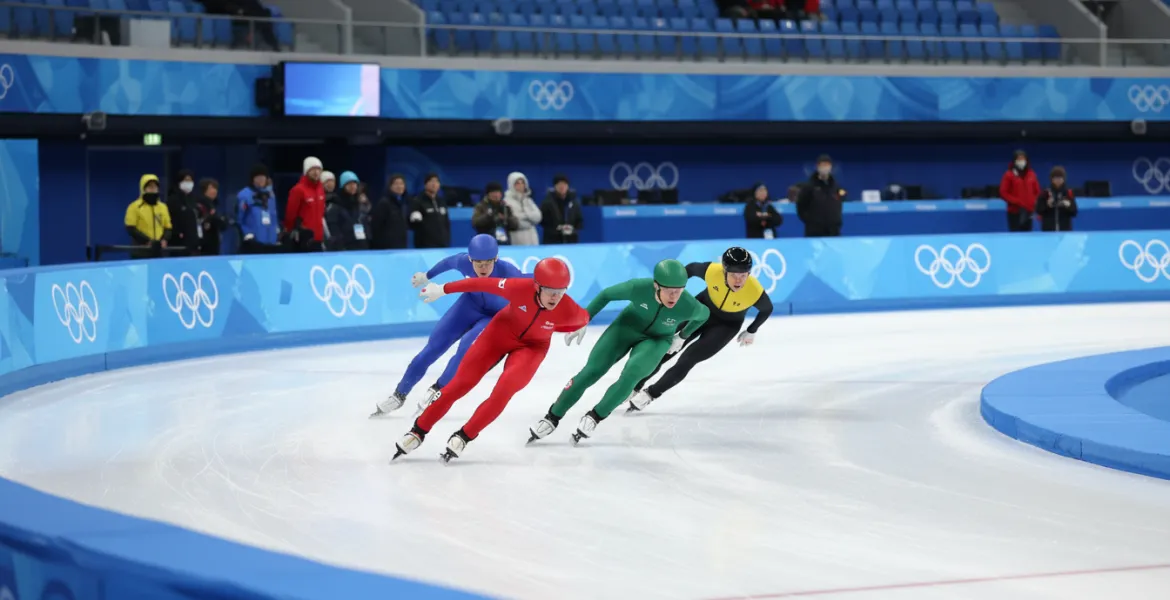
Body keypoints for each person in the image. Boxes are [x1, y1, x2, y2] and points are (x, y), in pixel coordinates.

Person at [392, 258, 588, 463]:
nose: (555, 297)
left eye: (561, 291)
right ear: (537, 285)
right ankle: (418, 431)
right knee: (459, 384)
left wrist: (577, 325)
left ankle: (464, 436)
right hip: (499, 334)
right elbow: (480, 283)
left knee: (504, 390)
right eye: (550, 291)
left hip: (532, 348)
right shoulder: (519, 287)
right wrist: (443, 289)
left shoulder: (568, 308)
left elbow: (582, 317)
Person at [526, 259, 710, 446]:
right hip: (625, 328)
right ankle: (552, 417)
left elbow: (704, 315)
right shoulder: (638, 288)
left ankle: (595, 416)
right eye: (669, 291)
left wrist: (683, 336)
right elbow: (606, 294)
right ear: (656, 285)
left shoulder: (688, 304)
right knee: (591, 371)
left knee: (632, 374)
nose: (673, 296)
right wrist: (584, 319)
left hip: (657, 340)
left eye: (678, 291)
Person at [370, 234, 529, 418]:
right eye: (478, 263)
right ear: (470, 259)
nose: (483, 268)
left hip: (493, 317)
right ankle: (399, 394)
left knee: (465, 349)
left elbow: (533, 285)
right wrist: (427, 275)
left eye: (487, 263)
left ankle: (437, 389)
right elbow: (447, 263)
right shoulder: (463, 262)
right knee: (433, 346)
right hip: (468, 306)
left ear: (496, 259)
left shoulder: (510, 273)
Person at [627, 247, 774, 412]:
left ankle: (651, 394)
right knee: (665, 350)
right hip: (700, 311)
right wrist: (675, 291)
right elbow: (688, 270)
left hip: (726, 326)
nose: (738, 281)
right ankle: (636, 386)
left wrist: (752, 330)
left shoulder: (754, 290)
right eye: (733, 275)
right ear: (724, 271)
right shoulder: (712, 271)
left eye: (743, 276)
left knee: (688, 359)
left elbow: (766, 309)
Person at [124, 174, 172, 259]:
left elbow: (168, 227)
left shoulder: (163, 207)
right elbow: (130, 228)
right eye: (150, 187)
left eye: (155, 187)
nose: (153, 189)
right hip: (141, 250)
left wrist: (164, 240)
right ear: (143, 188)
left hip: (160, 250)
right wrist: (147, 241)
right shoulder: (134, 206)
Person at [796, 155, 844, 238]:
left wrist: (836, 221)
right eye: (822, 165)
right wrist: (811, 221)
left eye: (827, 165)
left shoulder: (836, 186)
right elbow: (800, 206)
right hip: (815, 232)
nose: (825, 168)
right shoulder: (809, 186)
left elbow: (839, 204)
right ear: (818, 167)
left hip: (833, 231)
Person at [237, 164, 281, 254]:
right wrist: (247, 233)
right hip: (254, 241)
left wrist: (277, 231)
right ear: (253, 179)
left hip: (271, 240)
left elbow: (273, 214)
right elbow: (239, 218)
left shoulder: (271, 195)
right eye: (258, 177)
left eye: (263, 177)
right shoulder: (244, 195)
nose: (261, 180)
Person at [284, 156, 326, 249]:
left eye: (318, 169)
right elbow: (290, 214)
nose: (316, 173)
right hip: (304, 239)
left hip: (318, 238)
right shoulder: (298, 190)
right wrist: (290, 230)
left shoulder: (321, 190)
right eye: (313, 169)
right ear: (306, 172)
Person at [323, 171, 369, 251]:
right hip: (344, 247)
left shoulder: (359, 203)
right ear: (343, 186)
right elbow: (333, 227)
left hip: (360, 244)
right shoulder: (335, 204)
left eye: (354, 184)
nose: (353, 187)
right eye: (349, 184)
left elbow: (364, 222)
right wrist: (339, 244)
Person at [999, 149, 1040, 233]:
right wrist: (1016, 201)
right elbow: (1003, 192)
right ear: (1015, 160)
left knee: (1028, 236)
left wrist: (1033, 202)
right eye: (1019, 159)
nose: (1021, 161)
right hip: (1015, 212)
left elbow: (1037, 191)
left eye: (1023, 159)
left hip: (1028, 211)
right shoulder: (1009, 174)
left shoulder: (1031, 174)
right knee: (1015, 235)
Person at [409, 173, 451, 248]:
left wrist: (447, 240)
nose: (434, 184)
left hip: (442, 244)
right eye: (431, 181)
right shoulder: (418, 201)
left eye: (436, 181)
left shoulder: (441, 201)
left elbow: (446, 223)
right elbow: (412, 224)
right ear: (425, 184)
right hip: (425, 246)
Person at [540, 174, 583, 244]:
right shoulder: (547, 202)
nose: (562, 187)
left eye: (564, 184)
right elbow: (543, 221)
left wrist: (572, 229)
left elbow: (579, 220)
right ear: (555, 186)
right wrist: (557, 229)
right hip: (552, 241)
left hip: (571, 240)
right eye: (559, 184)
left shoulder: (574, 201)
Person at [166, 169, 201, 256]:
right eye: (186, 180)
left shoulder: (194, 199)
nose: (188, 183)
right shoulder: (172, 200)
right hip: (178, 242)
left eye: (190, 180)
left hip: (194, 242)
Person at [502, 171, 543, 246]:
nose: (520, 185)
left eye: (522, 183)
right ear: (511, 185)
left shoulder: (528, 200)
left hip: (532, 237)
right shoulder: (507, 201)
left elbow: (538, 216)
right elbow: (515, 220)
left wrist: (525, 215)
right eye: (517, 183)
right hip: (517, 237)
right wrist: (531, 221)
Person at [370, 174, 409, 250]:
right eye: (396, 184)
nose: (399, 186)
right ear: (390, 186)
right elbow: (376, 225)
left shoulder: (404, 203)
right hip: (387, 248)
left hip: (402, 245)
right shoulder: (384, 203)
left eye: (401, 184)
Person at [1035, 166, 1078, 232]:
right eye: (1055, 178)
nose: (1058, 180)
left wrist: (1069, 206)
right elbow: (1038, 210)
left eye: (1060, 178)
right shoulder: (1045, 193)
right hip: (1048, 229)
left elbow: (1074, 212)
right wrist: (1047, 205)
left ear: (1064, 179)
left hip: (1065, 229)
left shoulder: (1068, 193)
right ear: (1051, 179)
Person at [195, 178, 225, 256]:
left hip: (214, 242)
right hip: (204, 244)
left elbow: (222, 223)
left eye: (216, 188)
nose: (215, 191)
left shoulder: (215, 204)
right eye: (212, 188)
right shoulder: (200, 204)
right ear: (204, 190)